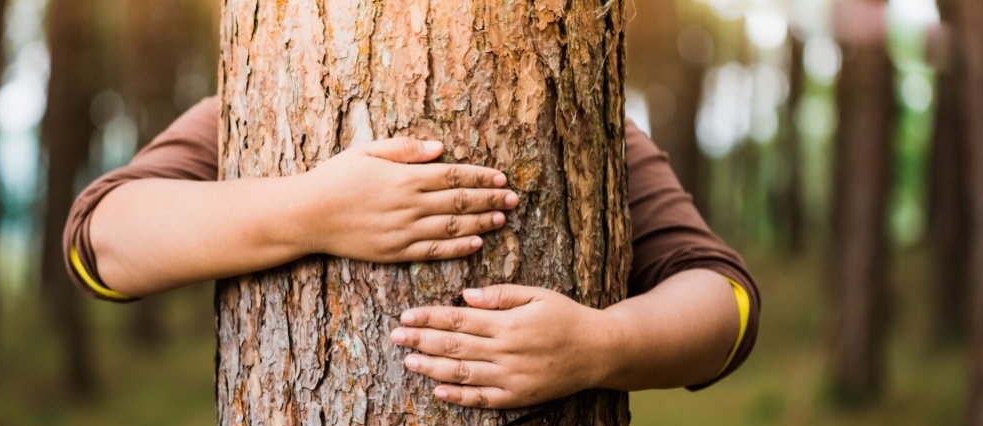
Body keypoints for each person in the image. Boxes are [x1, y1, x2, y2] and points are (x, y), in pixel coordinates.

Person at [64, 97, 760, 410]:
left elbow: (725, 304)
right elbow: (103, 239)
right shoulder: (258, 100)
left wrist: (599, 345)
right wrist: (315, 210)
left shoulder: (581, 114)